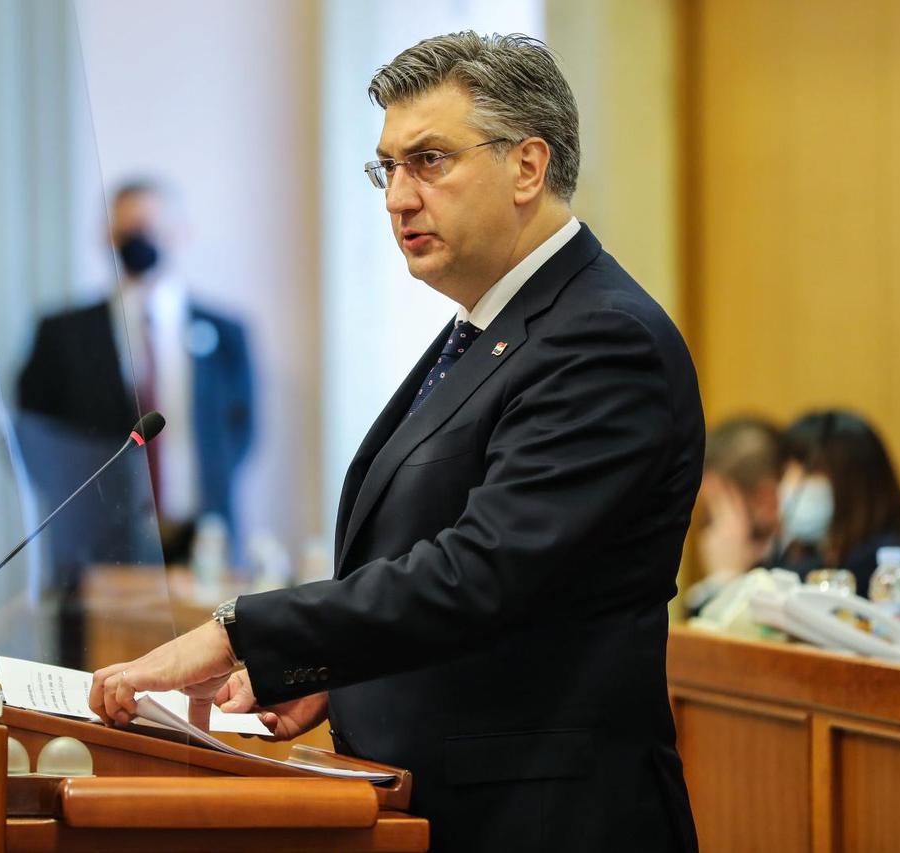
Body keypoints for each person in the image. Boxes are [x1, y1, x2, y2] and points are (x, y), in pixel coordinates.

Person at [89, 32, 702, 852]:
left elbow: (479, 573)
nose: (397, 198)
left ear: (528, 166)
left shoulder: (601, 339)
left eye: (430, 161)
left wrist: (237, 631)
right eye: (388, 168)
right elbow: (441, 571)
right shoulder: (491, 327)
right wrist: (337, 677)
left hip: (549, 819)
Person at [17, 179, 255, 563]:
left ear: (179, 232)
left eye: (149, 227)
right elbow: (34, 435)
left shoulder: (225, 333)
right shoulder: (62, 335)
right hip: (97, 543)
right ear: (108, 235)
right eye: (126, 229)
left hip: (202, 539)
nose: (138, 240)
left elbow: (242, 430)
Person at [769, 409, 900, 596]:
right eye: (786, 471)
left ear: (854, 483)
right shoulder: (803, 556)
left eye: (809, 472)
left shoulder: (885, 568)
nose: (790, 485)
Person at [686, 416, 784, 614]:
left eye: (713, 513)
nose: (707, 533)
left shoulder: (796, 570)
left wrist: (724, 582)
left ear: (765, 501)